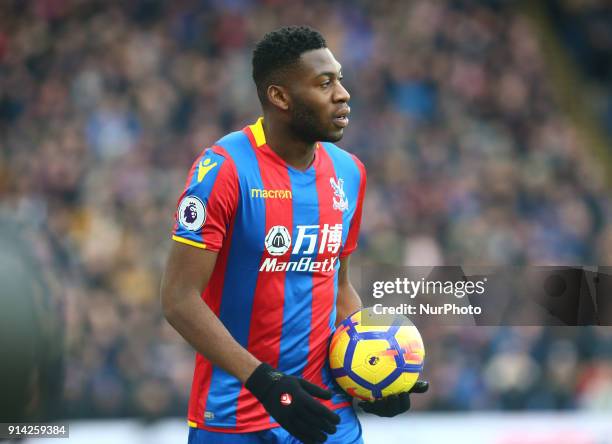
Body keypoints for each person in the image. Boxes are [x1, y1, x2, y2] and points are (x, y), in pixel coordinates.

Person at [161, 26, 428, 444]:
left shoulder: (349, 173)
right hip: (233, 418)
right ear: (280, 97)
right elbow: (178, 299)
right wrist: (265, 382)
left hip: (325, 414)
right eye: (325, 84)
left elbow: (338, 287)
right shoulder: (224, 170)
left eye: (339, 79)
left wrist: (379, 371)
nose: (343, 94)